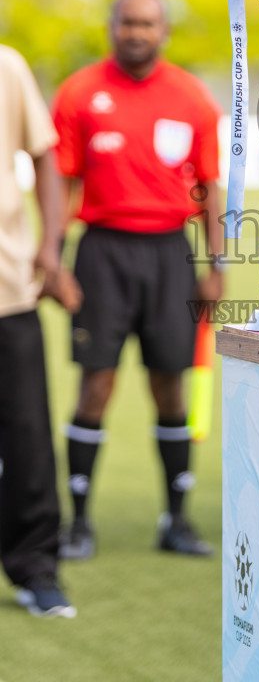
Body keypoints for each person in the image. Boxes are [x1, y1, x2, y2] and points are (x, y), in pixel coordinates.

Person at [52, 0, 224, 559]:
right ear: (112, 27)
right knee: (95, 385)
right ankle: (78, 524)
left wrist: (217, 266)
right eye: (127, 22)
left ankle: (177, 521)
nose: (136, 32)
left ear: (163, 31)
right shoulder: (80, 92)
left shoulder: (192, 97)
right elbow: (61, 183)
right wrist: (53, 259)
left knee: (171, 386)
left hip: (171, 254)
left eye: (147, 23)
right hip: (101, 253)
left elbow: (209, 187)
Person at [0, 44, 80, 617]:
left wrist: (50, 246)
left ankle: (35, 567)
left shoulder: (6, 66)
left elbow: (46, 155)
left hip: (8, 287)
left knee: (27, 435)